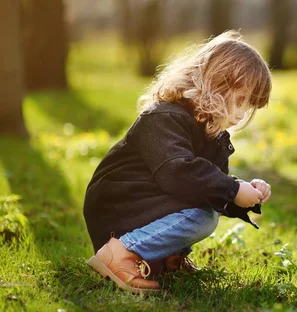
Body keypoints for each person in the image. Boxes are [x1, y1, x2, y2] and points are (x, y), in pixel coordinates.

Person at [83, 31, 272, 294]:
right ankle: (119, 253)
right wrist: (233, 190)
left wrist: (243, 191)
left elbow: (208, 183)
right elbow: (178, 172)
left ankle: (168, 258)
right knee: (203, 217)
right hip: (120, 206)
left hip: (145, 204)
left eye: (249, 105)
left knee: (205, 203)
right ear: (215, 85)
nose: (242, 114)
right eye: (239, 100)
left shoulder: (211, 134)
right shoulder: (163, 117)